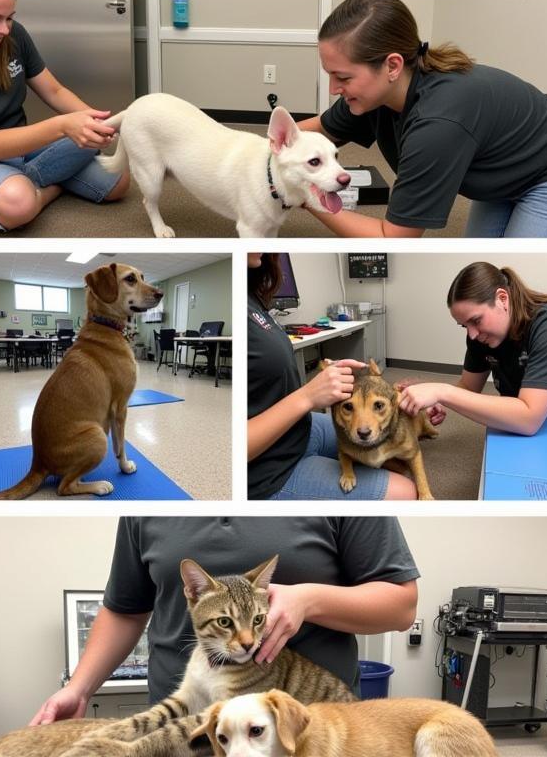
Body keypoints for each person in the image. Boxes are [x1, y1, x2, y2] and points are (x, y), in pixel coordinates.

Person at [31, 516, 419, 722]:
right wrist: (79, 689)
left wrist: (309, 599)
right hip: (182, 726)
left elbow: (401, 606)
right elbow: (125, 608)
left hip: (304, 731)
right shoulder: (146, 511)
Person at [298, 0, 547, 238]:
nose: (335, 88)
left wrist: (306, 197)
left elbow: (393, 236)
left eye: (342, 77)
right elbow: (314, 131)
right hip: (507, 166)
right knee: (486, 265)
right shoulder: (375, 93)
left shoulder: (437, 125)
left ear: (392, 66)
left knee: (516, 270)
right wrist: (263, 152)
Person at [0, 0, 129, 232]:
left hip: (21, 148)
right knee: (18, 203)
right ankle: (48, 185)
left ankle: (30, 178)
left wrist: (98, 121)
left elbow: (55, 91)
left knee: (117, 181)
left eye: (9, 18)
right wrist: (62, 127)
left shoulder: (14, 34)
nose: (3, 29)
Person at [246, 254, 419, 501]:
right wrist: (308, 396)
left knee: (388, 448)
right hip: (268, 471)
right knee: (405, 492)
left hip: (298, 430)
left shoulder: (252, 297)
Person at [398, 262, 547, 435]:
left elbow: (528, 418)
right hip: (544, 417)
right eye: (464, 326)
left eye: (476, 320)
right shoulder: (480, 336)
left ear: (502, 299)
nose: (472, 334)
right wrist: (436, 400)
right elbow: (468, 387)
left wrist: (442, 391)